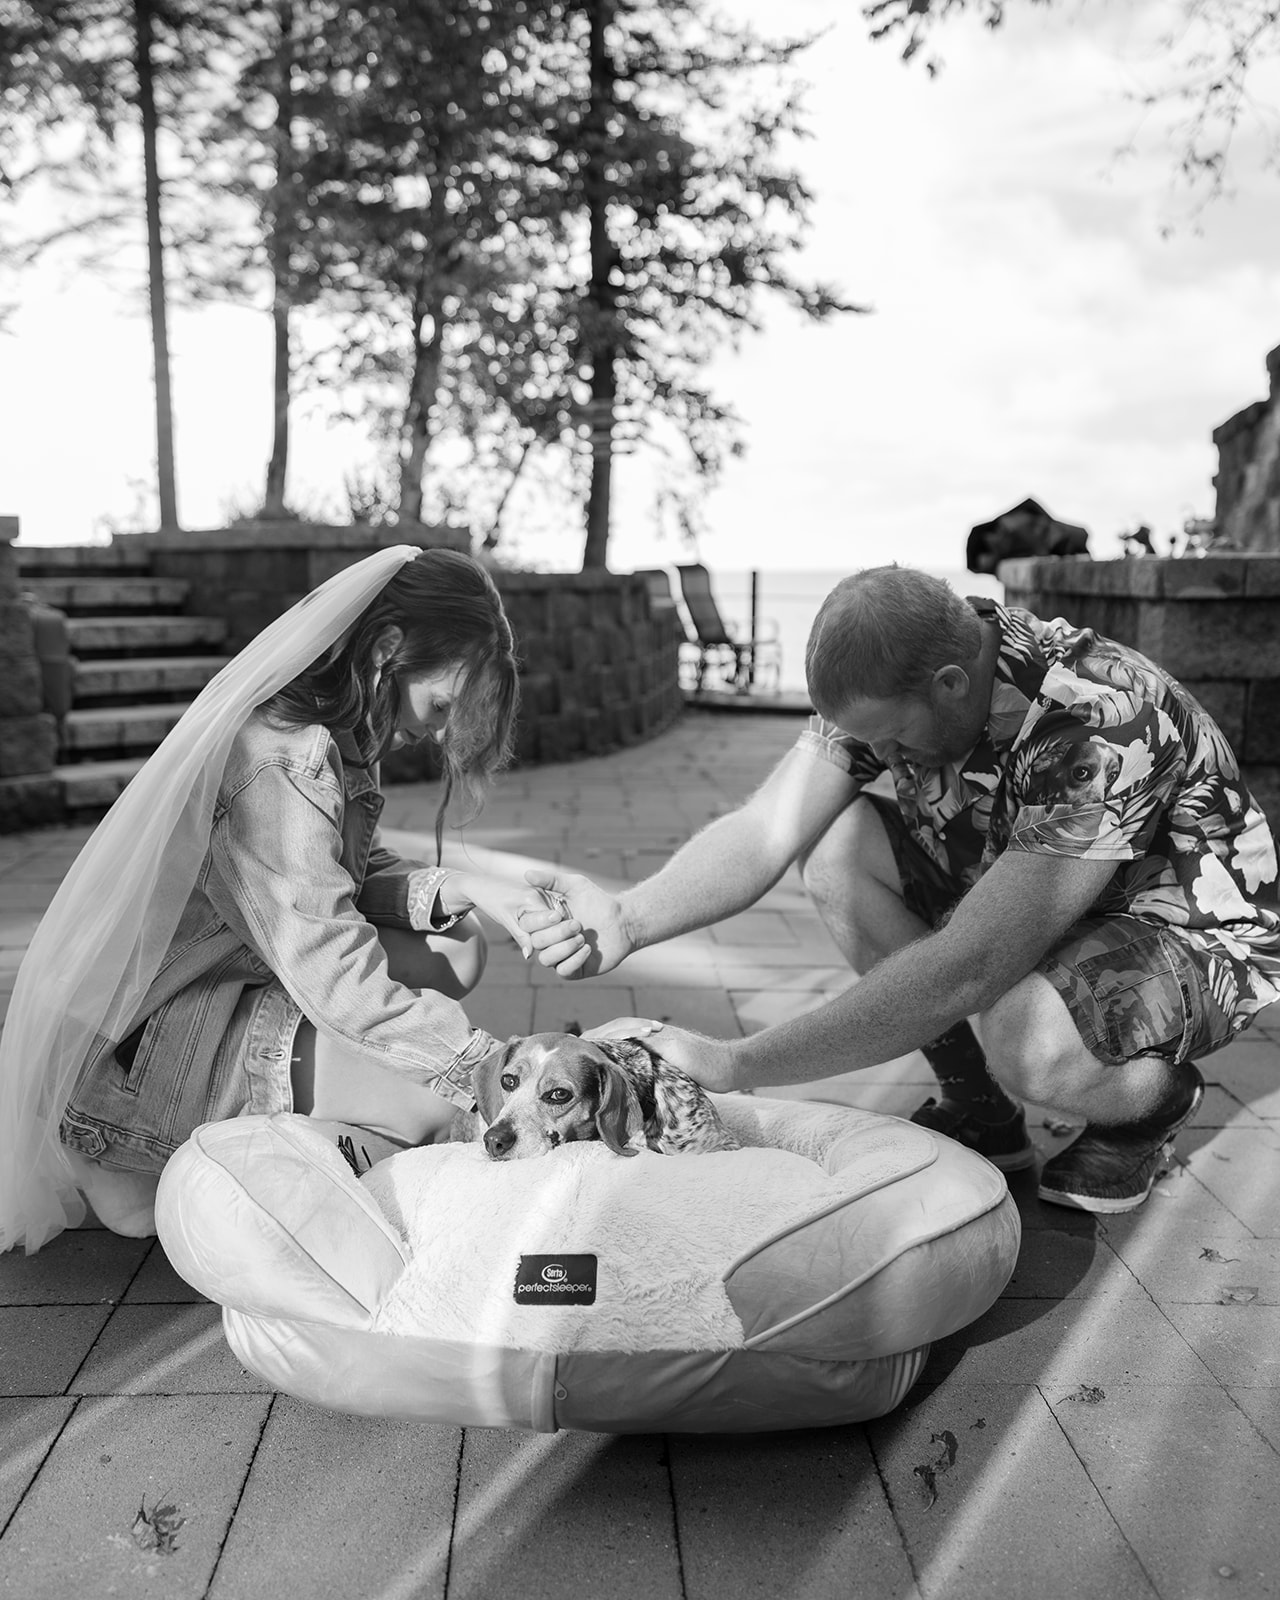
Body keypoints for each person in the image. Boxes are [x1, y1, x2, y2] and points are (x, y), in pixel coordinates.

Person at [525, 565, 1280, 1214]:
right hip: (1029, 885)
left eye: (889, 739)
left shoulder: (1099, 719)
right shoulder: (895, 679)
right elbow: (767, 830)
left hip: (1183, 926)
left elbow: (970, 965)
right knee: (833, 850)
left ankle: (1151, 1104)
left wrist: (736, 1065)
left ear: (952, 684)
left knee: (1028, 1036)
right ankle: (979, 1105)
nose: (878, 756)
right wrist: (627, 917)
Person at [0, 546, 581, 1253]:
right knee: (434, 1102)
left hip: (203, 993)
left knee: (456, 944)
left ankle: (200, 1141)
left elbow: (339, 877)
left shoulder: (333, 736)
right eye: (441, 706)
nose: (435, 732)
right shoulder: (282, 759)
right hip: (143, 1050)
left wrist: (468, 888)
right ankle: (120, 1136)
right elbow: (330, 964)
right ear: (389, 649)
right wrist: (493, 1070)